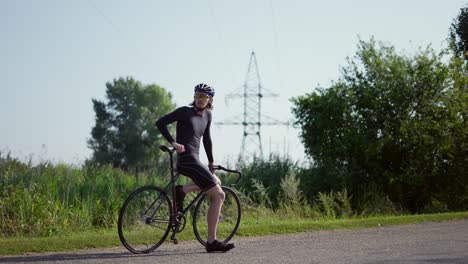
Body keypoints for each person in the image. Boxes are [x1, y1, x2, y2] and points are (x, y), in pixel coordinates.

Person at [155, 83, 235, 253]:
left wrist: (211, 162)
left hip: (195, 160)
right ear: (194, 97)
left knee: (217, 182)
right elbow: (160, 122)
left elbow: (207, 139)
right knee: (219, 195)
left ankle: (182, 190)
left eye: (203, 97)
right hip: (186, 159)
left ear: (210, 99)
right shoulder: (184, 111)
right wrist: (173, 142)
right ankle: (212, 242)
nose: (200, 99)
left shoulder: (208, 115)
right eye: (197, 96)